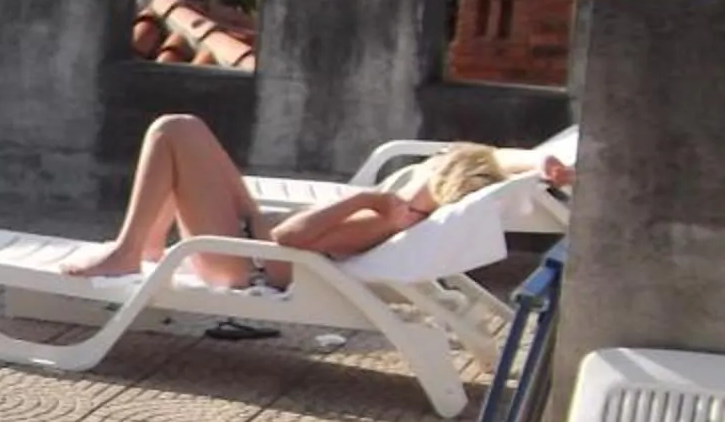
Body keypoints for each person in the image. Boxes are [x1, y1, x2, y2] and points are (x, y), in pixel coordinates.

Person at [62, 114, 572, 289]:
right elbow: (495, 158)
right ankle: (146, 246)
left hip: (243, 260)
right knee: (185, 132)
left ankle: (130, 251)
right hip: (249, 237)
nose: (438, 154)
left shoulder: (391, 218)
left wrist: (363, 199)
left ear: (446, 172)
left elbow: (289, 239)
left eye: (444, 157)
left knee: (173, 131)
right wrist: (539, 163)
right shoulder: (412, 203)